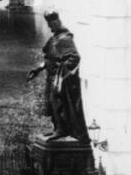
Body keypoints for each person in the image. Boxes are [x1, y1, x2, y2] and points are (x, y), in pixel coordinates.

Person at [28, 10, 89, 141]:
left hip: (60, 78)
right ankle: (57, 128)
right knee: (51, 103)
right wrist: (38, 69)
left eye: (50, 24)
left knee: (58, 103)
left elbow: (75, 57)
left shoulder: (65, 38)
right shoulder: (55, 38)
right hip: (52, 77)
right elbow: (49, 58)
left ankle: (62, 130)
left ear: (56, 22)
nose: (49, 27)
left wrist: (61, 73)